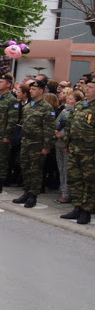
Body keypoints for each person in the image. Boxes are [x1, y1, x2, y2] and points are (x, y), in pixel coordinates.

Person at [12, 80, 56, 208]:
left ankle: (33, 196)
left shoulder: (47, 108)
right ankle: (26, 192)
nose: (31, 91)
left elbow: (49, 129)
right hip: (26, 142)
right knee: (25, 168)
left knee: (35, 171)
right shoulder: (28, 106)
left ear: (41, 91)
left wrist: (47, 146)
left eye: (34, 89)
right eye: (30, 89)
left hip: (38, 144)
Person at [61, 78, 95, 224]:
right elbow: (70, 124)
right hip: (75, 148)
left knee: (89, 181)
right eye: (87, 87)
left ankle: (86, 210)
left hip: (90, 151)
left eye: (91, 87)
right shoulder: (79, 105)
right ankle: (77, 207)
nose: (87, 89)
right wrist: (67, 141)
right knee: (75, 178)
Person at [55, 89, 83, 204]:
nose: (67, 100)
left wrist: (61, 134)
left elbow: (73, 129)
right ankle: (63, 189)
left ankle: (67, 193)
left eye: (71, 99)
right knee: (61, 168)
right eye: (68, 98)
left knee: (67, 169)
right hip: (59, 143)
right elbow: (56, 123)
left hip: (67, 143)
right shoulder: (64, 111)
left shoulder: (76, 113)